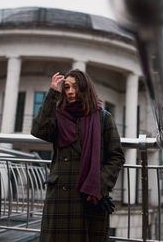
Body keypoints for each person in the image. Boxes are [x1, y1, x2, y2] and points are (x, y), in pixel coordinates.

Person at [31, 69, 125, 242]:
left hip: (89, 196)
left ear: (85, 88)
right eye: (66, 87)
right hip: (60, 197)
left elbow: (116, 156)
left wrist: (99, 186)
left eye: (75, 87)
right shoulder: (58, 115)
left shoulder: (103, 118)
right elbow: (39, 130)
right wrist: (52, 93)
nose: (70, 92)